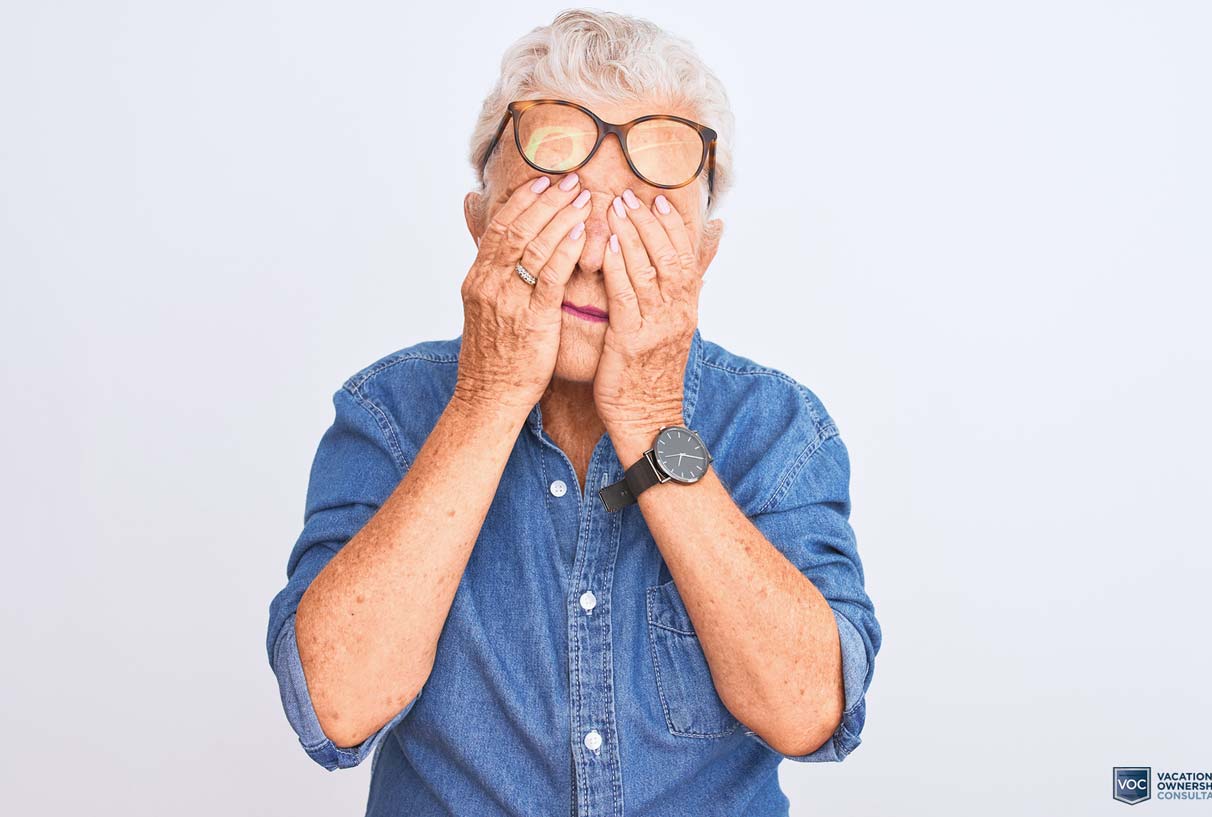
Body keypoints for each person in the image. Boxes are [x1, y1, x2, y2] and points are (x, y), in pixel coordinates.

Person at [266, 9, 882, 816]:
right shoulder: (388, 411)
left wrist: (655, 422)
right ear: (483, 225)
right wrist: (488, 394)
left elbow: (809, 712)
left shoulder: (777, 428)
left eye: (639, 227)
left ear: (702, 256)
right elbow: (334, 708)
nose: (592, 258)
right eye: (555, 216)